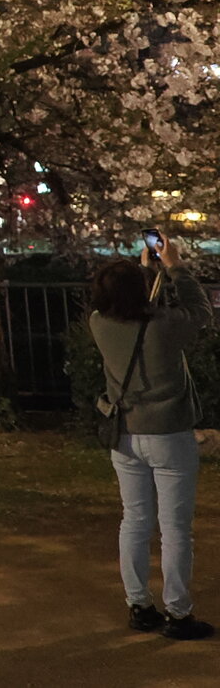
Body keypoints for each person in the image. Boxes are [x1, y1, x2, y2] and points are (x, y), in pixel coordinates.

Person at [91, 231, 215, 640]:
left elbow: (137, 312)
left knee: (135, 521)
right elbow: (200, 311)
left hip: (125, 434)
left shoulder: (99, 323)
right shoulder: (165, 326)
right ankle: (178, 613)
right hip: (169, 435)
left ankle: (139, 606)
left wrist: (146, 273)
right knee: (175, 528)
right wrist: (174, 266)